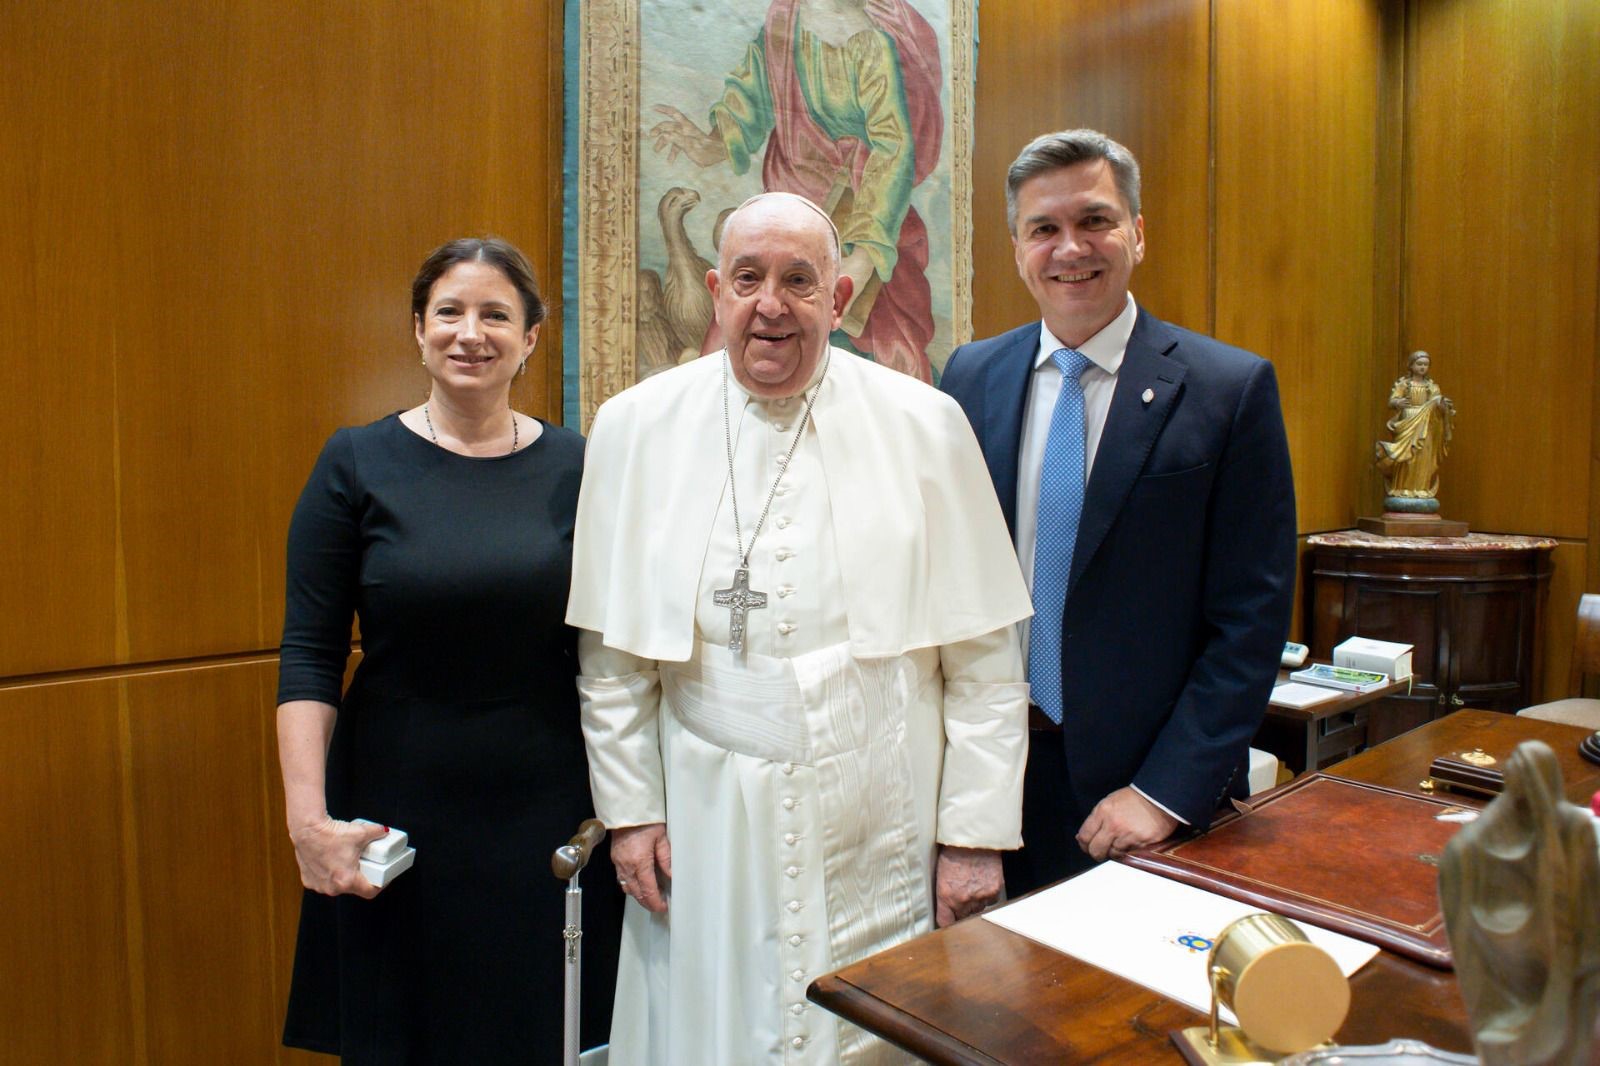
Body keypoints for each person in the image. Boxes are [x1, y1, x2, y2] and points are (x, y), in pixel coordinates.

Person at [568, 191, 1031, 1065]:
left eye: (798, 280)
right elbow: (613, 658)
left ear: (842, 298)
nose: (770, 305)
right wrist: (630, 813)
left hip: (881, 806)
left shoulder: (926, 425)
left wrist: (971, 837)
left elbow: (983, 662)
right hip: (707, 814)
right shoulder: (635, 428)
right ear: (715, 289)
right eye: (748, 278)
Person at [274, 238, 620, 1062]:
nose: (472, 332)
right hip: (396, 803)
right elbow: (310, 656)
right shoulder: (354, 463)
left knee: (543, 1025)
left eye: (496, 314)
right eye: (450, 312)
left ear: (531, 338)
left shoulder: (582, 466)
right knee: (407, 1031)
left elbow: (614, 652)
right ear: (418, 331)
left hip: (546, 802)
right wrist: (307, 821)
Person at [941, 130, 1297, 893]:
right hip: (987, 781)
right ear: (1017, 249)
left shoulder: (1227, 389)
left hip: (1143, 802)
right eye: (1044, 228)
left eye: (1095, 220)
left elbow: (1252, 619)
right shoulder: (969, 378)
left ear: (1137, 232)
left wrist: (1166, 791)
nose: (1071, 247)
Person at [649, 0, 944, 381]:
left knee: (876, 348)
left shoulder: (873, 40)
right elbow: (752, 94)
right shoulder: (785, 19)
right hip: (791, 196)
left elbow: (893, 148)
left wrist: (867, 254)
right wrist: (713, 142)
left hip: (864, 210)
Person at [1375, 349, 1454, 504]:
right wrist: (1398, 402)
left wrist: (1444, 406)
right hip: (1408, 421)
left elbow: (1438, 404)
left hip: (1426, 425)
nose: (1423, 367)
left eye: (1425, 364)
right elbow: (1392, 401)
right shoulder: (1404, 384)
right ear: (1411, 366)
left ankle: (1420, 488)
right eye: (1419, 364)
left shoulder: (1431, 386)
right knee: (1407, 456)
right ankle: (1402, 488)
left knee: (1422, 456)